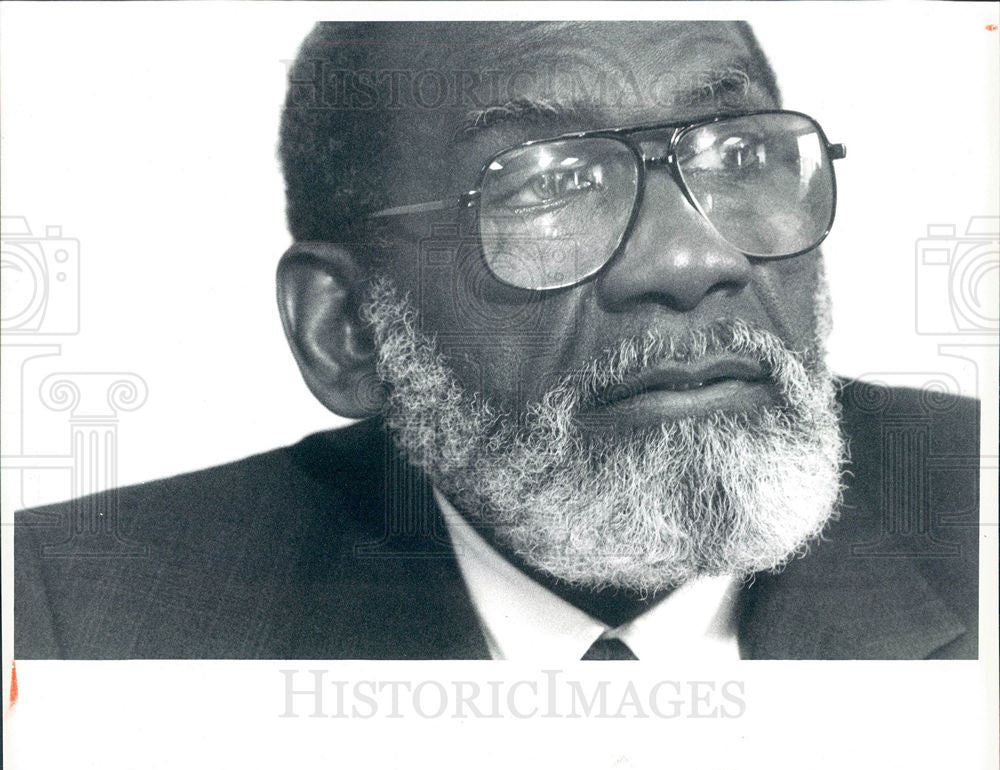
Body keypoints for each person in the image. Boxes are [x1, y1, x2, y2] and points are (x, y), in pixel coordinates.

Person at [15, 21, 979, 660]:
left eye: (737, 156)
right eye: (549, 183)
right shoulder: (80, 616)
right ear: (346, 331)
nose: (691, 260)